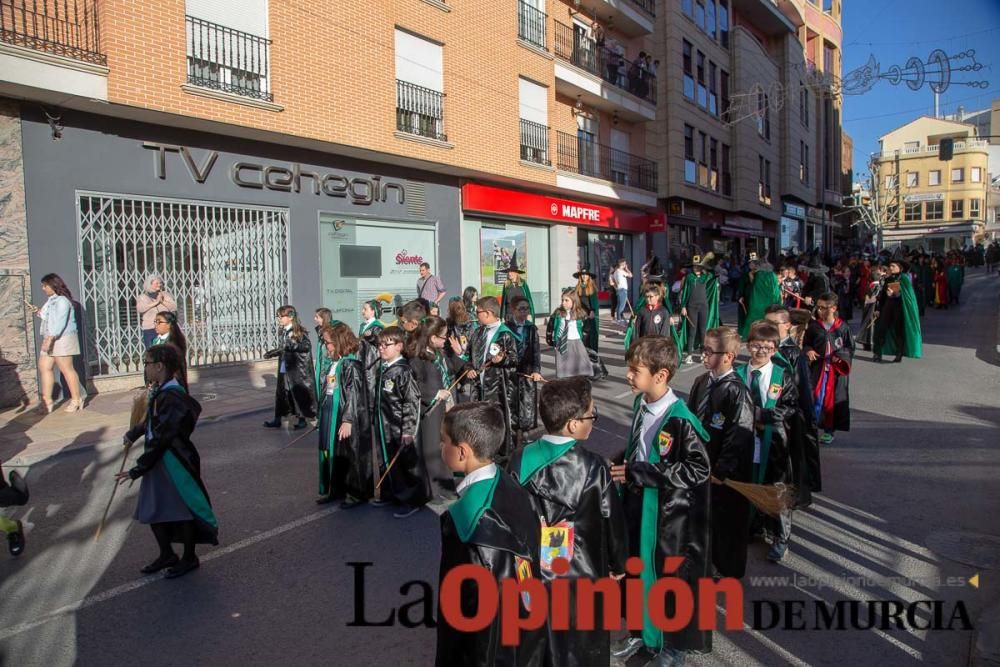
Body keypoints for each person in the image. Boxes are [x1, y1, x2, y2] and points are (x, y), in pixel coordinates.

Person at [508, 377, 627, 667]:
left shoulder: (519, 458)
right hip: (581, 572)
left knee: (537, 640)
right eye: (591, 415)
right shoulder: (593, 467)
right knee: (581, 642)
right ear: (573, 424)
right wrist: (618, 564)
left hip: (532, 569)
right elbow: (612, 520)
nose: (593, 420)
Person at [611, 335, 712, 666]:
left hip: (671, 520)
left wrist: (642, 473)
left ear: (661, 375)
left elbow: (698, 470)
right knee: (638, 572)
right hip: (641, 508)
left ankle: (672, 647)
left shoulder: (681, 420)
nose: (628, 376)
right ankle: (642, 634)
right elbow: (639, 450)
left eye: (634, 370)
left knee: (668, 582)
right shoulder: (642, 405)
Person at [436, 402, 546, 667]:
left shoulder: (466, 518)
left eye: (443, 441)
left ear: (462, 452)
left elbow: (462, 605)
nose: (440, 447)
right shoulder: (511, 484)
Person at [117, 343, 218, 579]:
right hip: (159, 460)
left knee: (180, 510)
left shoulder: (172, 397)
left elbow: (163, 436)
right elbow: (154, 423)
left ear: (160, 366)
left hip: (173, 462)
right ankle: (166, 553)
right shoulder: (161, 392)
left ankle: (189, 557)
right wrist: (134, 433)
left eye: (148, 363)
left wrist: (138, 468)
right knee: (154, 509)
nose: (146, 368)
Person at [686, 326, 755, 579]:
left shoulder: (737, 391)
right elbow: (692, 417)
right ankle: (704, 559)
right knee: (703, 515)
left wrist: (721, 469)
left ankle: (725, 567)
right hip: (700, 461)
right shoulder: (701, 382)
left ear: (729, 356)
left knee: (725, 519)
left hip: (723, 471)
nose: (704, 356)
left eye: (709, 351)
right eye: (703, 349)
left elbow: (739, 433)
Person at [735, 322, 798, 562]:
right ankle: (753, 526)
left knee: (777, 489)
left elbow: (790, 406)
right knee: (749, 483)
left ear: (775, 349)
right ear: (748, 346)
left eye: (767, 347)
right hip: (746, 439)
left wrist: (763, 417)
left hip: (775, 442)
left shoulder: (782, 376)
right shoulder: (739, 375)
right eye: (756, 346)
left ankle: (781, 538)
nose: (761, 351)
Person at [765, 306, 821, 509]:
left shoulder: (793, 354)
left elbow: (803, 389)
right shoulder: (765, 348)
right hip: (766, 413)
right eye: (766, 323)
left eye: (773, 324)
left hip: (787, 415)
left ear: (787, 326)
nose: (768, 328)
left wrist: (808, 417)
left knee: (789, 460)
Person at [406, 317, 462, 502]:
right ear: (431, 337)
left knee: (445, 446)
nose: (446, 340)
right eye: (443, 336)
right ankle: (433, 489)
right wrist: (435, 394)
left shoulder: (440, 353)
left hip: (445, 406)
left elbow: (453, 369)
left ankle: (447, 486)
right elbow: (414, 386)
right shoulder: (417, 358)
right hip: (431, 409)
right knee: (431, 449)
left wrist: (459, 355)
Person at [315, 323, 371, 508]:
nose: (326, 346)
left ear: (339, 342)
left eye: (328, 343)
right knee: (333, 452)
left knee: (350, 454)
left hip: (346, 415)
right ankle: (335, 489)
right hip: (331, 413)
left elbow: (354, 393)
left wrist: (347, 420)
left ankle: (355, 493)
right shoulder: (336, 363)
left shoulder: (351, 364)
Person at [373, 326, 425, 517]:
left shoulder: (403, 371)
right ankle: (390, 494)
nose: (381, 348)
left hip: (398, 426)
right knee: (385, 460)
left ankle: (410, 500)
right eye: (379, 345)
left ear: (399, 346)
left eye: (387, 345)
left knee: (403, 463)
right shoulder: (384, 368)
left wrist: (408, 430)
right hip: (383, 424)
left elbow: (411, 402)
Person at [461, 297, 520, 461]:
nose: (475, 315)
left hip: (497, 387)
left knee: (497, 420)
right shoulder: (478, 332)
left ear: (488, 313)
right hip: (478, 385)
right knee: (479, 419)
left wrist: (503, 360)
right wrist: (469, 369)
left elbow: (515, 359)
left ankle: (502, 452)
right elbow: (468, 356)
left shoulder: (505, 334)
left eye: (478, 312)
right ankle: (483, 450)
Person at [29, 273, 84, 414]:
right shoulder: (51, 300)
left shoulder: (62, 301)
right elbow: (46, 315)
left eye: (45, 285)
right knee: (44, 366)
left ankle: (76, 400)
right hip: (51, 336)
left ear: (53, 285)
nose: (43, 288)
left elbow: (60, 322)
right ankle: (47, 401)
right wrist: (38, 311)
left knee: (66, 369)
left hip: (62, 338)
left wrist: (50, 338)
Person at [803, 293, 853, 445]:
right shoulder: (814, 327)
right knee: (814, 397)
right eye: (819, 307)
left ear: (834, 308)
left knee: (832, 401)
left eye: (825, 308)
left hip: (835, 372)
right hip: (818, 369)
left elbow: (849, 348)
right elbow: (806, 343)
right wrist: (809, 350)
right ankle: (810, 427)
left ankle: (829, 430)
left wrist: (840, 357)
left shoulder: (843, 328)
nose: (821, 311)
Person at [263, 306, 317, 430]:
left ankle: (302, 419)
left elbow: (306, 346)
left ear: (291, 317)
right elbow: (284, 347)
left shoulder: (298, 331)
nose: (279, 319)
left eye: (281, 316)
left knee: (295, 392)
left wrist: (294, 346)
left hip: (295, 369)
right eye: (278, 316)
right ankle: (278, 418)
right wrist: (273, 352)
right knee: (282, 392)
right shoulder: (283, 331)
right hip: (284, 366)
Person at [874, 258, 922, 363]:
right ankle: (878, 353)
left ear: (900, 268)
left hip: (899, 308)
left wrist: (896, 294)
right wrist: (878, 309)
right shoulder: (887, 279)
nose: (891, 268)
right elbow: (881, 296)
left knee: (898, 331)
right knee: (881, 329)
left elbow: (908, 296)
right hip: (887, 307)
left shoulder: (904, 279)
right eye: (890, 266)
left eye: (893, 266)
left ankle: (899, 354)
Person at [509, 296, 542, 444]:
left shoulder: (531, 328)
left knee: (527, 405)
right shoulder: (507, 328)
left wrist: (536, 370)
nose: (524, 312)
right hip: (511, 373)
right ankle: (514, 435)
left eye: (526, 309)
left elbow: (536, 351)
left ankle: (526, 434)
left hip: (528, 372)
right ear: (513, 310)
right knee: (512, 404)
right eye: (521, 309)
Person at [678, 253, 720, 364]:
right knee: (692, 330)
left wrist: (706, 264)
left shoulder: (706, 276)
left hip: (703, 306)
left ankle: (703, 353)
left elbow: (716, 274)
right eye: (694, 266)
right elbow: (685, 292)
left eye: (698, 266)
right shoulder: (689, 277)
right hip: (691, 306)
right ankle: (689, 354)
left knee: (703, 331)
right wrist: (683, 306)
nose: (696, 267)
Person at [546, 290, 593, 379]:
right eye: (562, 300)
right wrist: (551, 340)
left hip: (576, 341)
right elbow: (551, 326)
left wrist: (585, 339)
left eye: (566, 300)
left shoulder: (580, 313)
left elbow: (586, 328)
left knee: (580, 367)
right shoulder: (558, 312)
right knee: (563, 369)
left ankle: (577, 384)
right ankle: (564, 384)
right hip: (562, 342)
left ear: (574, 301)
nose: (563, 303)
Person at [623, 281, 681, 351]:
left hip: (657, 345)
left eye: (651, 297)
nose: (648, 299)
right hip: (644, 345)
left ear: (657, 297)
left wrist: (662, 346)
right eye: (646, 297)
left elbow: (665, 332)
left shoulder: (663, 312)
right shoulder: (642, 311)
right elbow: (637, 331)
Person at [738, 259, 781, 339]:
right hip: (770, 300)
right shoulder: (773, 275)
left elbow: (753, 287)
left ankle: (752, 334)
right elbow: (776, 290)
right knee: (769, 318)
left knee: (755, 318)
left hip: (757, 300)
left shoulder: (758, 275)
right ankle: (769, 334)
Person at [446, 297, 478, 403]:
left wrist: (461, 353)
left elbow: (474, 348)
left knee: (468, 395)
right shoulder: (449, 324)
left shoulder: (472, 322)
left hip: (467, 363)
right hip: (455, 362)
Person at [136, 275, 178, 349]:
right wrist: (156, 302)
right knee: (152, 351)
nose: (159, 285)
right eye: (157, 283)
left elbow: (173, 307)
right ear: (150, 284)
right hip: (150, 328)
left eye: (160, 283)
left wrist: (162, 301)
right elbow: (140, 309)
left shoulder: (165, 295)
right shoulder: (142, 297)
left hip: (164, 327)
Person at [150, 311, 189, 387]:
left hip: (171, 383)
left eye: (159, 322)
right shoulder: (155, 340)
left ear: (169, 325)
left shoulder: (174, 343)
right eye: (155, 322)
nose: (155, 325)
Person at [500, 250, 535, 323]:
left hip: (522, 315)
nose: (509, 273)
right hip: (509, 316)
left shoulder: (523, 284)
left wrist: (529, 314)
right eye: (508, 271)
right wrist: (502, 317)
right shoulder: (506, 284)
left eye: (511, 271)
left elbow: (529, 300)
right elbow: (504, 302)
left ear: (516, 273)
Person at [857, 262, 885, 351]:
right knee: (871, 326)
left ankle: (866, 343)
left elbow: (866, 297)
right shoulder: (877, 286)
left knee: (867, 325)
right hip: (873, 308)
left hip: (867, 307)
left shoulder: (870, 285)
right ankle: (871, 342)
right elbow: (877, 297)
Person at [574, 267, 600, 353]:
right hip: (581, 314)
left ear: (589, 276)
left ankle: (592, 354)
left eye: (586, 275)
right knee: (582, 334)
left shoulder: (592, 287)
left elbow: (594, 302)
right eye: (582, 275)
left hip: (590, 314)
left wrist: (593, 311)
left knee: (591, 335)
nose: (584, 276)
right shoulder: (578, 288)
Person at [313, 308, 336, 399]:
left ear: (324, 318)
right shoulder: (320, 331)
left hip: (328, 368)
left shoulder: (330, 332)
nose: (315, 319)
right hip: (321, 367)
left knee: (328, 392)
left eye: (317, 317)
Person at [612, 258, 633, 324]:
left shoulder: (615, 272)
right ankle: (619, 319)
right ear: (622, 264)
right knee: (622, 305)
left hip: (619, 289)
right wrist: (626, 269)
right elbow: (631, 275)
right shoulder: (621, 271)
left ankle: (619, 318)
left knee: (619, 304)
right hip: (622, 289)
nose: (625, 265)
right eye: (625, 264)